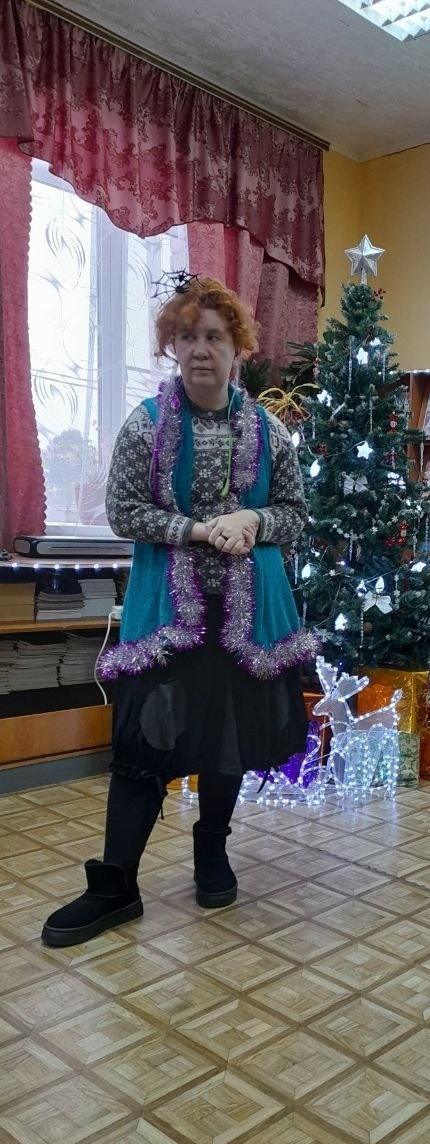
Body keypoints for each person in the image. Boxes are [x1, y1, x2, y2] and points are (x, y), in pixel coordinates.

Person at [42, 276, 318, 947]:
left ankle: (211, 847)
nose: (200, 349)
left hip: (248, 617)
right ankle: (116, 883)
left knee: (227, 737)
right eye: (187, 336)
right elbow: (122, 512)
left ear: (237, 348)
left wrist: (253, 519)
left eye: (214, 337)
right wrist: (196, 531)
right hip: (170, 614)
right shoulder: (146, 424)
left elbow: (295, 513)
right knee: (145, 740)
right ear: (173, 345)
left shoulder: (271, 431)